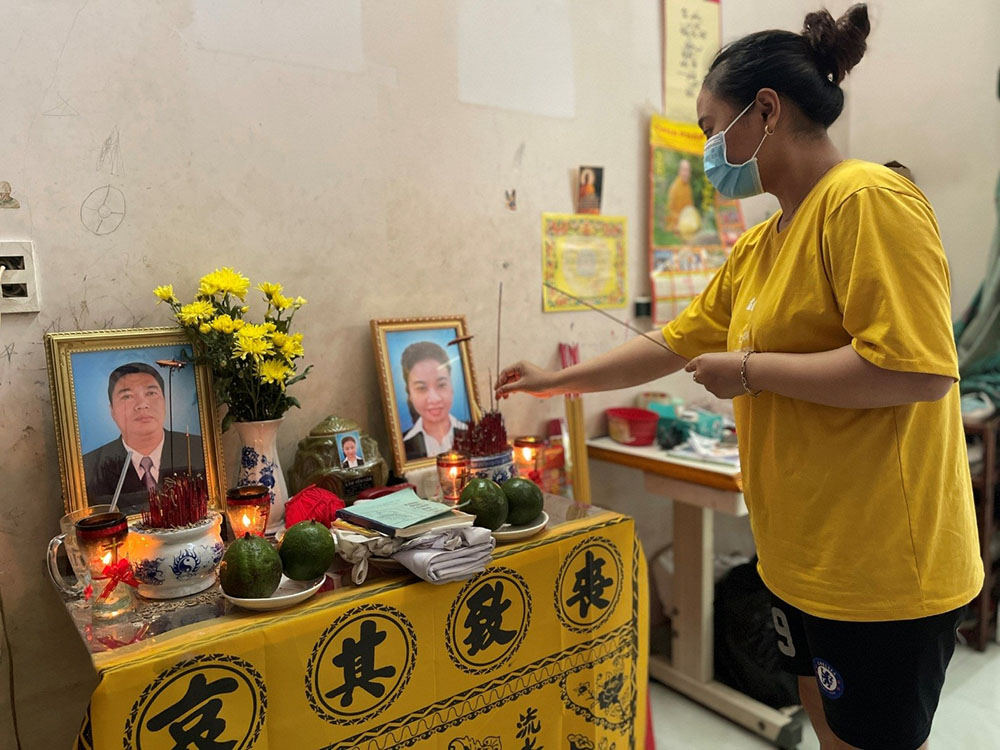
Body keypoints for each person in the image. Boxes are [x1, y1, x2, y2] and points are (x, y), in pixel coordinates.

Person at [496, 6, 982, 750]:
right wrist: (551, 382)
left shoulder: (865, 202)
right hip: (800, 559)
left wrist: (750, 372)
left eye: (709, 127)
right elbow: (675, 341)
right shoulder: (761, 244)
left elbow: (915, 370)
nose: (707, 152)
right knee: (827, 729)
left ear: (765, 111)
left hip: (881, 569)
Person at [83, 362, 204, 515]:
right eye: (127, 396)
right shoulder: (89, 467)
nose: (142, 405)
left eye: (150, 393)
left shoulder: (200, 449)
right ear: (112, 411)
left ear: (165, 402)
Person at [399, 341, 468, 460]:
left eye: (441, 385)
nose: (434, 399)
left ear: (452, 386)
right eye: (421, 388)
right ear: (409, 393)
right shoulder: (401, 446)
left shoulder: (473, 434)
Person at [665, 159, 694, 232]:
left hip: (687, 222)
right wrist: (681, 219)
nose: (686, 173)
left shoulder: (688, 187)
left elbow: (690, 207)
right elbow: (670, 211)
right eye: (684, 170)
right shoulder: (674, 188)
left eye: (688, 171)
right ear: (679, 171)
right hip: (675, 224)